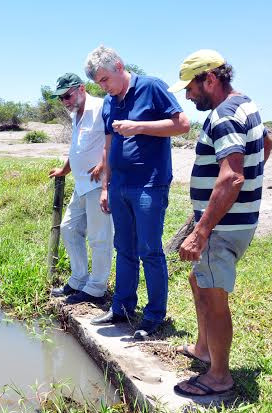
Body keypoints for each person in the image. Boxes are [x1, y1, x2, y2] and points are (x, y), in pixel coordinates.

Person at [168, 50, 272, 397]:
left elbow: (231, 179)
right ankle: (202, 349)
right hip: (234, 220)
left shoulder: (224, 115)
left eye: (191, 88)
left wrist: (201, 230)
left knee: (214, 296)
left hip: (223, 226)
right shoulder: (245, 104)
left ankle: (218, 376)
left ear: (209, 79)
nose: (187, 96)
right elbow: (266, 142)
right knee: (198, 280)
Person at [84, 46, 190, 339]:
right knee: (124, 248)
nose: (103, 87)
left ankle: (155, 316)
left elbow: (182, 125)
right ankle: (123, 307)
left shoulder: (152, 87)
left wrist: (139, 127)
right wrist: (105, 186)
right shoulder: (109, 101)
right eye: (99, 83)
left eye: (105, 79)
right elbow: (108, 145)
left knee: (150, 250)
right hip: (119, 185)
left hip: (149, 183)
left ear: (119, 66)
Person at [49, 73, 114, 304]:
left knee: (99, 238)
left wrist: (103, 164)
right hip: (81, 185)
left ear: (82, 89)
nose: (65, 101)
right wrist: (65, 169)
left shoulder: (101, 106)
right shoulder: (76, 113)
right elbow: (76, 147)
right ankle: (78, 279)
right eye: (61, 98)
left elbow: (113, 139)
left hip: (99, 184)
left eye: (68, 95)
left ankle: (96, 288)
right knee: (68, 228)